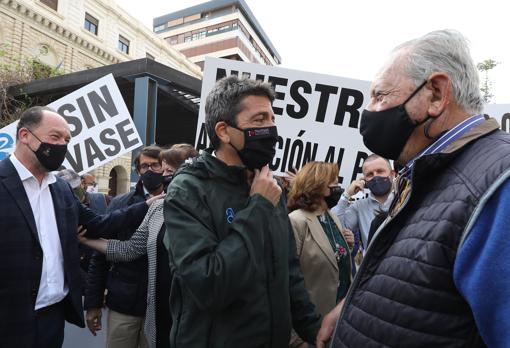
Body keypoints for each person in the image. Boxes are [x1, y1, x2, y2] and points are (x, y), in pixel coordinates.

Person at [317, 29, 510, 348]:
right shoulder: (425, 175)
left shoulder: (497, 183)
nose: (369, 111)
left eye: (380, 96)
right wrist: (354, 306)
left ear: (435, 94)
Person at [163, 76, 321, 347]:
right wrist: (258, 207)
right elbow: (208, 284)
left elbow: (288, 272)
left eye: (272, 119)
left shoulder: (270, 186)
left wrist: (315, 331)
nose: (271, 129)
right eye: (259, 120)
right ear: (224, 131)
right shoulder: (189, 189)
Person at [0, 106, 154, 348]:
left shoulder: (60, 189)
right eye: (55, 137)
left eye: (67, 140)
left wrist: (147, 205)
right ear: (24, 136)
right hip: (9, 319)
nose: (62, 144)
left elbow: (99, 224)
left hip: (53, 319)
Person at [78, 143, 198, 348]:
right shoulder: (157, 208)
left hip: (189, 310)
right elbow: (129, 249)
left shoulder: (205, 209)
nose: (159, 174)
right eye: (146, 167)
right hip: (143, 306)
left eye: (166, 169)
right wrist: (87, 240)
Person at [85, 146, 164, 348]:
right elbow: (100, 257)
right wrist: (93, 304)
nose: (150, 170)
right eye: (144, 166)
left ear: (164, 166)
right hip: (123, 304)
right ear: (137, 171)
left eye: (155, 165)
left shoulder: (179, 200)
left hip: (159, 306)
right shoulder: (122, 204)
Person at [287, 161, 354, 347]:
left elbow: (331, 259)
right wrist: (298, 339)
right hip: (311, 327)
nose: (337, 186)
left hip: (338, 320)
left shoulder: (330, 216)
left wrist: (346, 246)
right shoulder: (296, 221)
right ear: (317, 186)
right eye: (332, 182)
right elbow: (288, 278)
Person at [332, 154, 395, 257]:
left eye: (380, 171)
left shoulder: (405, 200)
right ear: (364, 180)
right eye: (370, 174)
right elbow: (336, 227)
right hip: (372, 269)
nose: (375, 176)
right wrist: (346, 195)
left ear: (392, 174)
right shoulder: (359, 207)